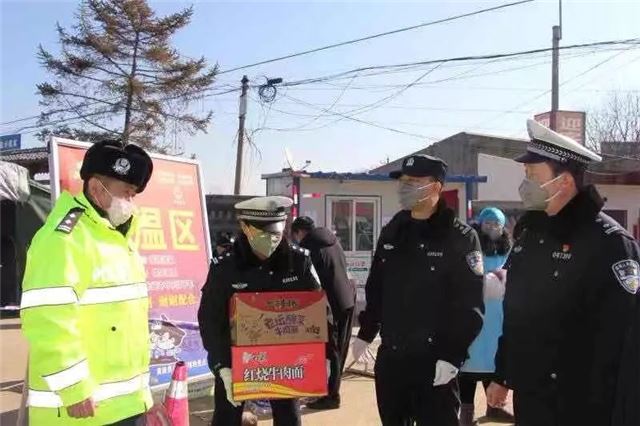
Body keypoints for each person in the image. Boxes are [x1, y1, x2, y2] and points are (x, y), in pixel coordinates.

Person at [486, 119, 640, 426]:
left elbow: (625, 343)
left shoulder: (610, 244)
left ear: (565, 181)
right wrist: (502, 375)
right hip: (533, 400)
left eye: (533, 175)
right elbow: (517, 317)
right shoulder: (531, 236)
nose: (525, 184)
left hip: (584, 405)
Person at [20, 140, 154, 426]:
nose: (130, 202)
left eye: (133, 195)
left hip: (124, 404)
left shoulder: (117, 238)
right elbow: (48, 319)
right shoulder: (64, 240)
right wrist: (73, 387)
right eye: (126, 193)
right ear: (96, 188)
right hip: (81, 409)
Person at [351, 154, 485, 426]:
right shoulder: (393, 230)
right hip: (393, 358)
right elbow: (377, 287)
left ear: (436, 186)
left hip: (435, 361)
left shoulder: (459, 237)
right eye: (403, 181)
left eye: (414, 181)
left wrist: (452, 356)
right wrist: (366, 332)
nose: (405, 186)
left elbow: (470, 306)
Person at [198, 196, 322, 426]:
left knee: (288, 417)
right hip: (235, 359)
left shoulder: (298, 261)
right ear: (246, 228)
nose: (272, 240)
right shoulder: (225, 267)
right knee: (227, 417)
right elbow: (210, 319)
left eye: (276, 234)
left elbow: (318, 309)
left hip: (285, 361)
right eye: (264, 234)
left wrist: (325, 355)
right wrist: (221, 366)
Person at [291, 216, 356, 410]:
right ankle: (330, 391)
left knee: (331, 351)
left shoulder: (309, 248)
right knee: (339, 350)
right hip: (347, 299)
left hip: (331, 305)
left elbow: (309, 280)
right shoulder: (333, 241)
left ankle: (331, 396)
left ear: (299, 232)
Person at [458, 207, 514, 425]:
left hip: (499, 317)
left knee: (495, 360)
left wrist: (503, 279)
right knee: (468, 365)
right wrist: (487, 281)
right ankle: (466, 414)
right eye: (488, 223)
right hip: (474, 314)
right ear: (480, 225)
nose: (492, 228)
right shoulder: (470, 247)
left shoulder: (509, 251)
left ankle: (495, 407)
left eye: (496, 224)